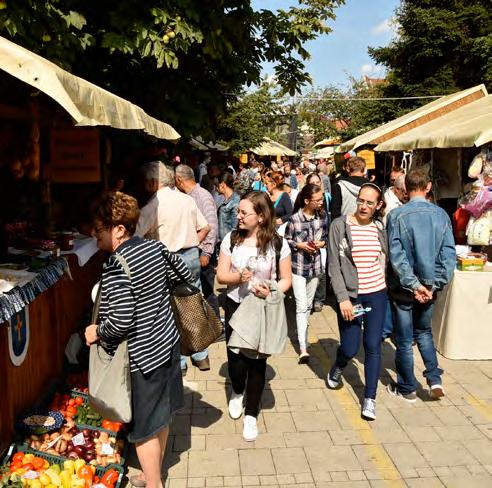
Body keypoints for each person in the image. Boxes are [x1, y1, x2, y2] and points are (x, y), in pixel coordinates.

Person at [85, 192, 192, 488]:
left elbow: (119, 321)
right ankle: (152, 474)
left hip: (143, 358)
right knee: (162, 417)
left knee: (145, 427)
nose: (95, 234)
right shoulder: (154, 247)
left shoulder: (117, 264)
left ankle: (154, 484)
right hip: (168, 344)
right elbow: (184, 273)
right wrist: (155, 293)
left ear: (119, 229)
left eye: (99, 229)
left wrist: (97, 332)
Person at [216, 191, 292, 441]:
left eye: (243, 212)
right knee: (236, 361)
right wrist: (239, 278)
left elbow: (286, 280)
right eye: (238, 211)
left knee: (258, 362)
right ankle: (237, 390)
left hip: (262, 310)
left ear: (260, 216)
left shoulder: (277, 243)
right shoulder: (231, 239)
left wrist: (269, 289)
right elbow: (221, 276)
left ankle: (251, 414)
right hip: (236, 306)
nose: (237, 216)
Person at [135, 161, 211, 375]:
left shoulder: (152, 206)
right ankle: (201, 354)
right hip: (191, 256)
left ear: (153, 182)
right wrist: (192, 242)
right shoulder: (186, 200)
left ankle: (180, 361)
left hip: (166, 260)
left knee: (171, 310)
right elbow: (205, 227)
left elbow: (135, 238)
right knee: (194, 304)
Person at [386, 169, 456, 402]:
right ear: (427, 188)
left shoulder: (396, 215)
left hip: (405, 289)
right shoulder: (441, 215)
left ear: (406, 188)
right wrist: (433, 285)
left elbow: (397, 257)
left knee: (405, 340)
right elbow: (448, 256)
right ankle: (434, 378)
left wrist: (414, 285)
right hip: (427, 286)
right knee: (424, 333)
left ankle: (407, 388)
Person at [327, 183, 388, 420]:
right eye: (361, 200)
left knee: (373, 346)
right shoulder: (340, 226)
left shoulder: (379, 227)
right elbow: (333, 265)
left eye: (369, 203)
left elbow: (384, 260)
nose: (363, 206)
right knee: (351, 347)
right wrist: (342, 299)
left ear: (378, 206)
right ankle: (339, 365)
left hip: (377, 293)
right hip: (351, 296)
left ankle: (370, 398)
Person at [285, 184, 328, 364]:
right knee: (301, 306)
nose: (320, 202)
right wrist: (299, 245)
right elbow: (286, 241)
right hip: (298, 268)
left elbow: (325, 238)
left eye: (321, 199)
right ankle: (303, 347)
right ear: (306, 201)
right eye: (317, 200)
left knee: (308, 306)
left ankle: (303, 333)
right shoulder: (294, 219)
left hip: (315, 268)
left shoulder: (323, 217)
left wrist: (321, 244)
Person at [175, 164, 220, 317]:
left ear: (179, 179)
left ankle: (216, 326)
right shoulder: (187, 196)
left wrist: (206, 252)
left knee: (207, 290)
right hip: (195, 250)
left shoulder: (202, 196)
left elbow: (212, 225)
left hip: (203, 252)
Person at [305, 172, 331, 313]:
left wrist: (324, 241)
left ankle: (319, 299)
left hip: (320, 243)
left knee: (321, 272)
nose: (315, 184)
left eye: (317, 182)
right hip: (307, 244)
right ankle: (307, 299)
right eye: (312, 182)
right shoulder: (303, 201)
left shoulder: (326, 199)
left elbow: (329, 224)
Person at [217, 172, 241, 243]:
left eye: (217, 184)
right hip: (222, 242)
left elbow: (235, 227)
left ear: (222, 185)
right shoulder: (223, 199)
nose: (216, 187)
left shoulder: (235, 201)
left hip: (229, 243)